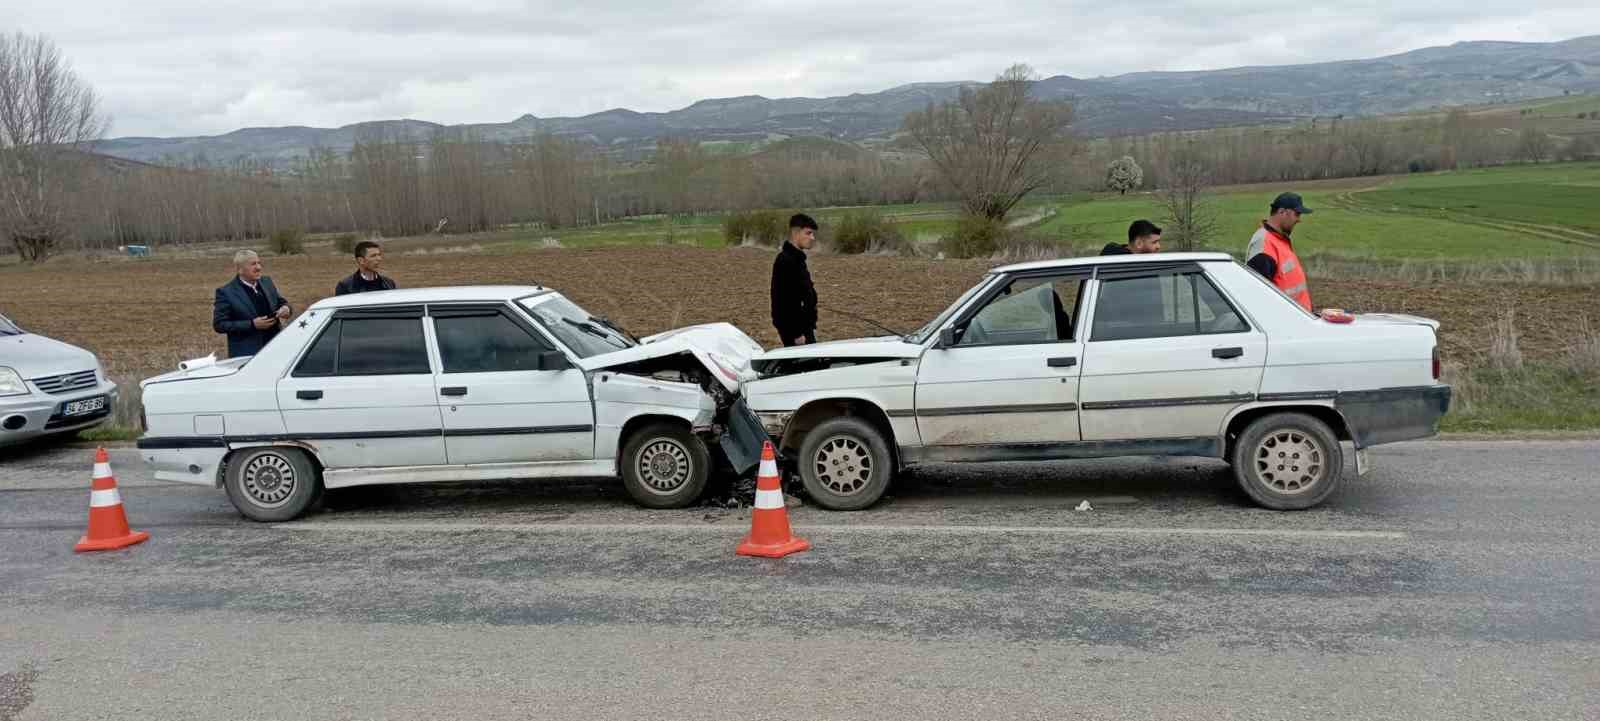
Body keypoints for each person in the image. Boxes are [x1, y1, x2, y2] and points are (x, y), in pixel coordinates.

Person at [213, 250, 292, 358]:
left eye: (259, 263)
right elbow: (219, 325)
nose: (259, 267)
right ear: (240, 270)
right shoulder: (226, 292)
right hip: (247, 356)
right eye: (253, 264)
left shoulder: (267, 282)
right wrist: (252, 324)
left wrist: (286, 309)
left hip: (276, 349)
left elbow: (280, 302)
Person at [1246, 192, 1314, 311]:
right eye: (1297, 214)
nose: (1299, 220)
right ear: (1282, 212)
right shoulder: (1264, 245)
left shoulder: (1278, 239)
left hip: (1299, 319)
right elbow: (1259, 299)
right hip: (1286, 323)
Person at [771, 213, 819, 346]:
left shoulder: (798, 259)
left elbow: (803, 292)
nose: (812, 238)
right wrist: (796, 334)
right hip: (796, 333)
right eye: (808, 233)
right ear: (796, 233)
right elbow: (783, 301)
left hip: (805, 327)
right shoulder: (785, 261)